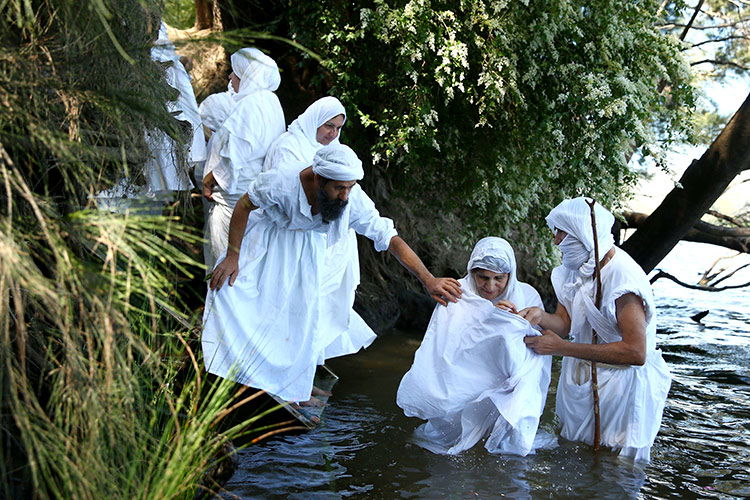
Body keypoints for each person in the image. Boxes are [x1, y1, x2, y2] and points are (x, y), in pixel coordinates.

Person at [202, 144, 462, 405]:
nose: (345, 195)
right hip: (268, 241)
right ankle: (228, 367)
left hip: (307, 254)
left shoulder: (351, 197)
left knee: (300, 318)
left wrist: (428, 279)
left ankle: (292, 388)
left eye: (349, 187)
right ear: (317, 178)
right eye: (339, 188)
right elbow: (244, 205)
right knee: (236, 292)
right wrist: (233, 254)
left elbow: (389, 238)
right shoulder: (281, 181)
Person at [521, 197, 672, 463]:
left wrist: (562, 348)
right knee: (574, 454)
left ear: (582, 233)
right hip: (581, 378)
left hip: (620, 388)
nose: (555, 241)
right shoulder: (573, 270)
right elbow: (565, 323)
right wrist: (540, 317)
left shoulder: (623, 278)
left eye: (561, 232)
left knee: (613, 463)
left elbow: (636, 353)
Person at [397, 237, 552, 456]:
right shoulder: (457, 292)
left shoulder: (527, 295)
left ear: (511, 275)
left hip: (508, 375)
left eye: (499, 278)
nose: (490, 286)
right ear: (472, 273)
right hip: (469, 374)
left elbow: (537, 348)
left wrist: (510, 322)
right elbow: (447, 344)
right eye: (483, 278)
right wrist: (490, 317)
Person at [201, 48, 285, 269]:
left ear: (249, 77)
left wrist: (209, 181)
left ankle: (218, 299)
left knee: (223, 260)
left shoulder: (251, 105)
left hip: (234, 197)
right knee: (247, 262)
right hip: (254, 196)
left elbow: (233, 154)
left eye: (235, 73)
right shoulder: (272, 103)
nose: (229, 77)